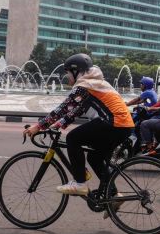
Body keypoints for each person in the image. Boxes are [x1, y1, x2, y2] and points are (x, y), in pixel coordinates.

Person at [23, 54, 134, 196]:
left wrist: (38, 126)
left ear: (76, 71)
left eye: (68, 73)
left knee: (73, 138)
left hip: (113, 123)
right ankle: (114, 195)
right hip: (124, 126)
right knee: (94, 158)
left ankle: (79, 183)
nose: (67, 77)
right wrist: (57, 125)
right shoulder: (95, 83)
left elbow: (63, 108)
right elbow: (76, 110)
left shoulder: (84, 85)